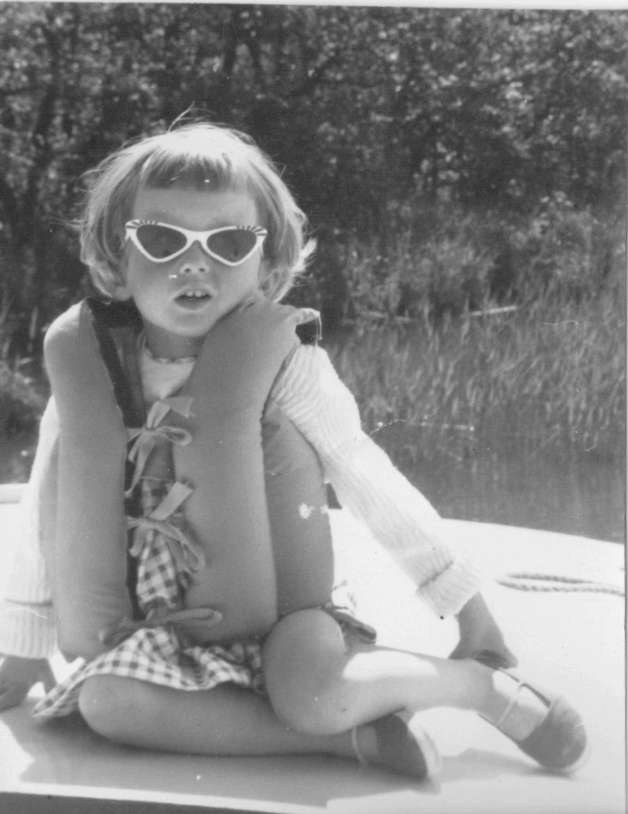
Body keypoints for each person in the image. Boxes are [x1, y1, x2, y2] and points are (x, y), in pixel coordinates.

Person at [0, 122, 586, 781]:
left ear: (266, 258)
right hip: (151, 639)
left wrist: (470, 610)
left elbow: (371, 482)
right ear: (117, 249)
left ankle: (476, 688)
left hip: (285, 625)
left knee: (310, 693)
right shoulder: (90, 368)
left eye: (228, 242)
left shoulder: (289, 366)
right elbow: (45, 516)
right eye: (163, 240)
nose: (195, 263)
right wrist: (24, 649)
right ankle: (355, 741)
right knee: (106, 704)